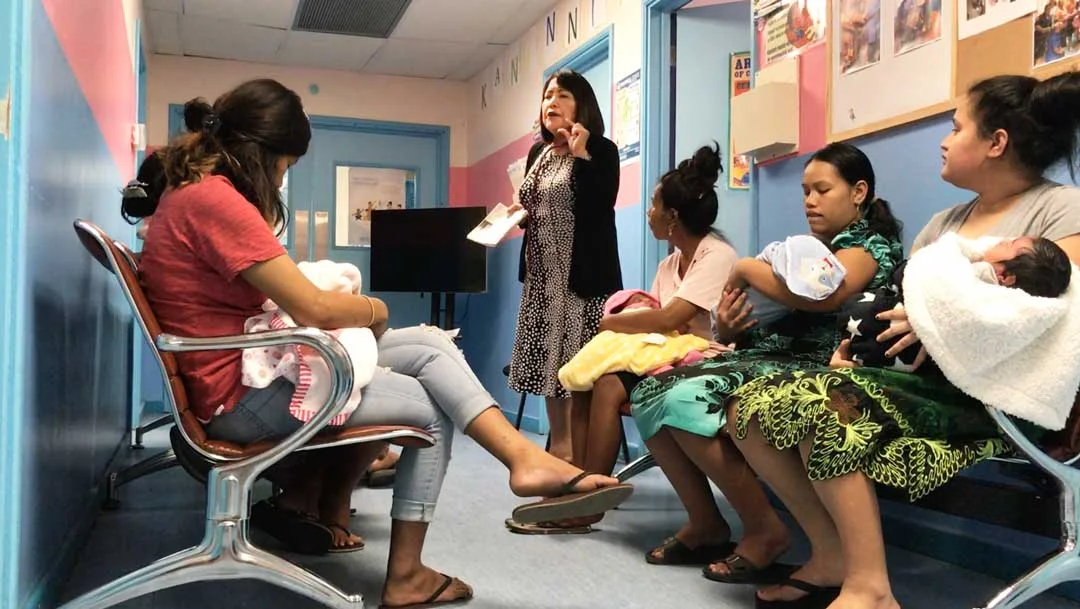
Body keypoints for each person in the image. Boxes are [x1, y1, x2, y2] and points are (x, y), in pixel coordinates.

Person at [137, 78, 632, 608]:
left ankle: (524, 458)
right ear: (261, 151)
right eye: (285, 166)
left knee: (429, 343)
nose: (280, 179)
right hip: (239, 403)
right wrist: (375, 310)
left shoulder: (196, 194)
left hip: (241, 375)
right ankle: (407, 575)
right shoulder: (216, 201)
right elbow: (315, 307)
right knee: (428, 409)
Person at [728, 72, 1080, 609]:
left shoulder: (1061, 209)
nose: (945, 140)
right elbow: (897, 297)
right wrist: (851, 349)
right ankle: (830, 554)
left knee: (827, 407)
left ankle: (870, 589)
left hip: (996, 395)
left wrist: (941, 321)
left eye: (956, 127)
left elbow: (1059, 310)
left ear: (996, 142)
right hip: (918, 377)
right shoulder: (944, 223)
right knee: (748, 407)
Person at [628, 143, 905, 585]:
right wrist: (731, 326)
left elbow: (825, 296)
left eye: (822, 190)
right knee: (649, 392)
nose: (810, 201)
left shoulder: (869, 246)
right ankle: (706, 522)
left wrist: (744, 269)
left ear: (858, 192)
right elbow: (755, 321)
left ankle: (763, 530)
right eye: (805, 192)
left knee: (685, 397)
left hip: (815, 362)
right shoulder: (812, 248)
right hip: (772, 353)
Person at [509, 145, 739, 535]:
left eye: (654, 205)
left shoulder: (717, 255)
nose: (649, 213)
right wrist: (637, 322)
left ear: (672, 216)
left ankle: (589, 504)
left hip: (709, 362)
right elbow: (660, 324)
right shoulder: (669, 264)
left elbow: (669, 318)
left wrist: (611, 323)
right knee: (590, 381)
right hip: (671, 358)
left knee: (609, 384)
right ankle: (582, 486)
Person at [508, 69, 623, 463]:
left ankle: (579, 452)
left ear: (582, 105)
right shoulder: (537, 154)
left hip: (582, 279)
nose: (551, 103)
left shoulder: (602, 150)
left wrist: (580, 154)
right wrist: (519, 216)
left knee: (578, 366)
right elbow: (536, 205)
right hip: (542, 278)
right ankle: (559, 447)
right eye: (547, 96)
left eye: (562, 96)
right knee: (548, 364)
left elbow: (600, 204)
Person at [841, 234, 1072, 370]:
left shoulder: (988, 286)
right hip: (898, 309)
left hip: (910, 345)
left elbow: (964, 310)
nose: (1003, 240)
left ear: (1006, 277)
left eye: (1010, 245)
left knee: (860, 310)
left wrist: (929, 317)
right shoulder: (964, 255)